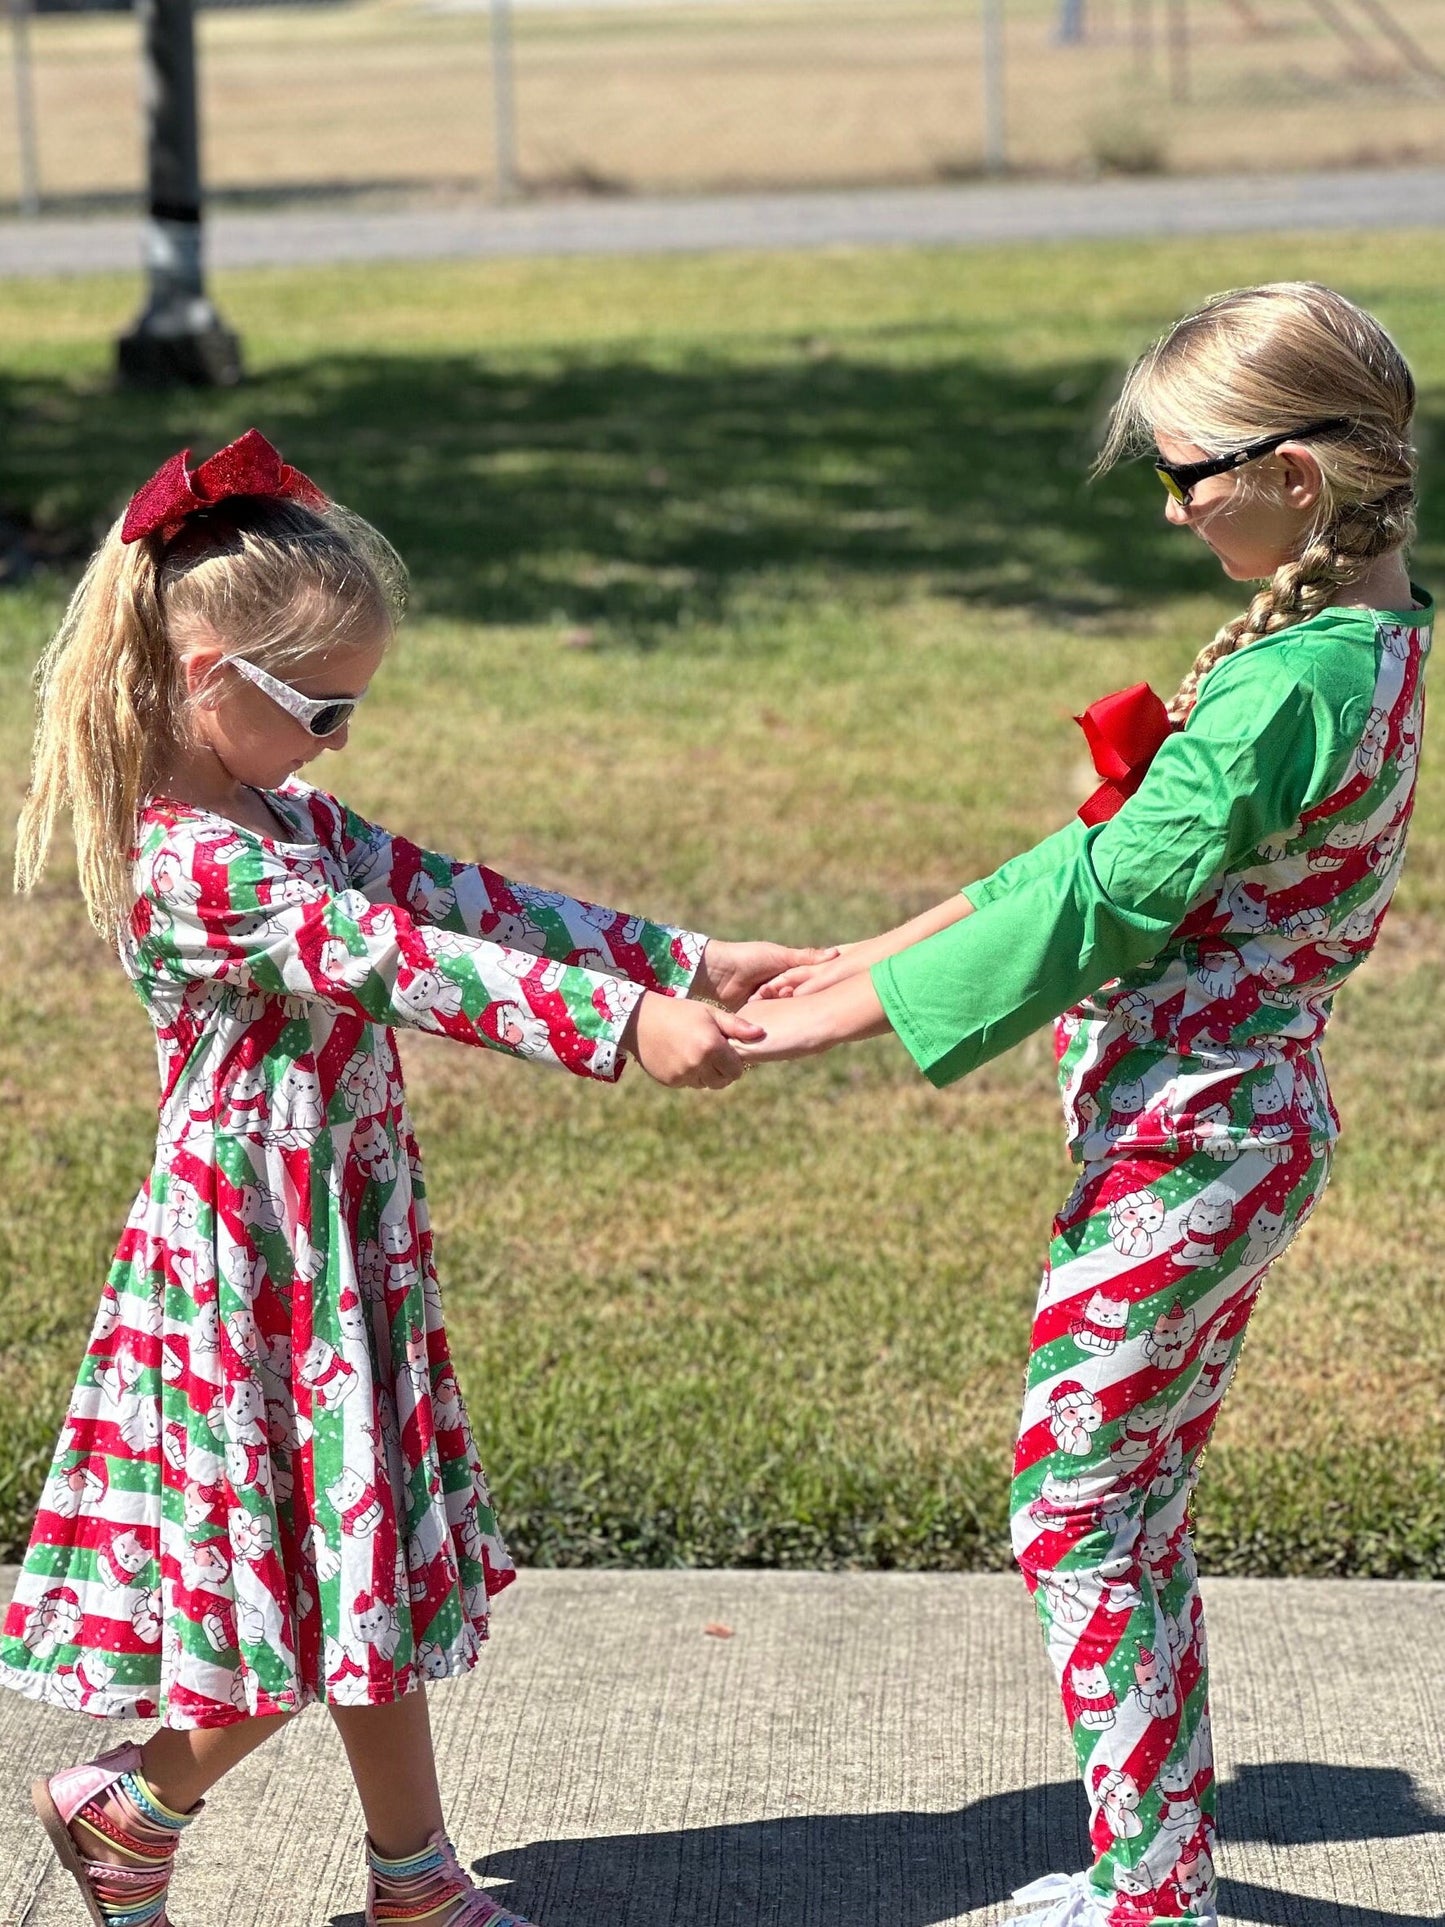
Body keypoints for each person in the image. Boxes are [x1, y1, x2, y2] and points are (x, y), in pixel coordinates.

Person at [1, 429, 827, 1927]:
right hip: (253, 1267)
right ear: (207, 685)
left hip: (340, 1247)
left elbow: (470, 903)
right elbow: (400, 963)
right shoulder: (197, 864)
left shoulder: (293, 819)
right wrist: (623, 1028)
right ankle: (131, 1804)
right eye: (321, 706)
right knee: (318, 1598)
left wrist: (684, 961)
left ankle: (415, 1878)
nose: (341, 739)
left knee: (362, 1564)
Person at [741, 282, 1430, 1925]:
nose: (1176, 503)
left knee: (1074, 1507)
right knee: (1123, 1507)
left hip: (1194, 1142)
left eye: (1195, 471)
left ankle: (1147, 1899)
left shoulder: (1292, 685)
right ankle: (1158, 1877)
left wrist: (834, 1020)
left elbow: (1109, 900)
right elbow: (1094, 854)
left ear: (1301, 476)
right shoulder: (1346, 645)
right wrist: (865, 949)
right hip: (1216, 1133)